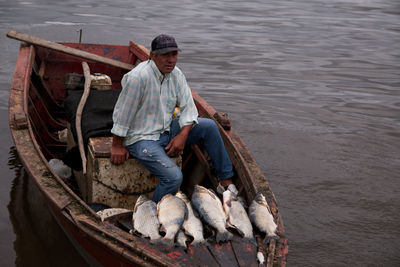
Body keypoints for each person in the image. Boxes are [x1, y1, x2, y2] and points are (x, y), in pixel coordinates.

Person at [110, 34, 235, 203]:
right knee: (174, 178)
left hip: (166, 129)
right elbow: (123, 113)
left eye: (174, 55)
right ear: (152, 56)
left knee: (209, 127)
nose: (171, 60)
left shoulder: (176, 75)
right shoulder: (138, 78)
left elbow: (189, 109)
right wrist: (117, 145)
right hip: (141, 138)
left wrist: (182, 135)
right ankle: (153, 213)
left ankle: (226, 183)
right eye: (165, 55)